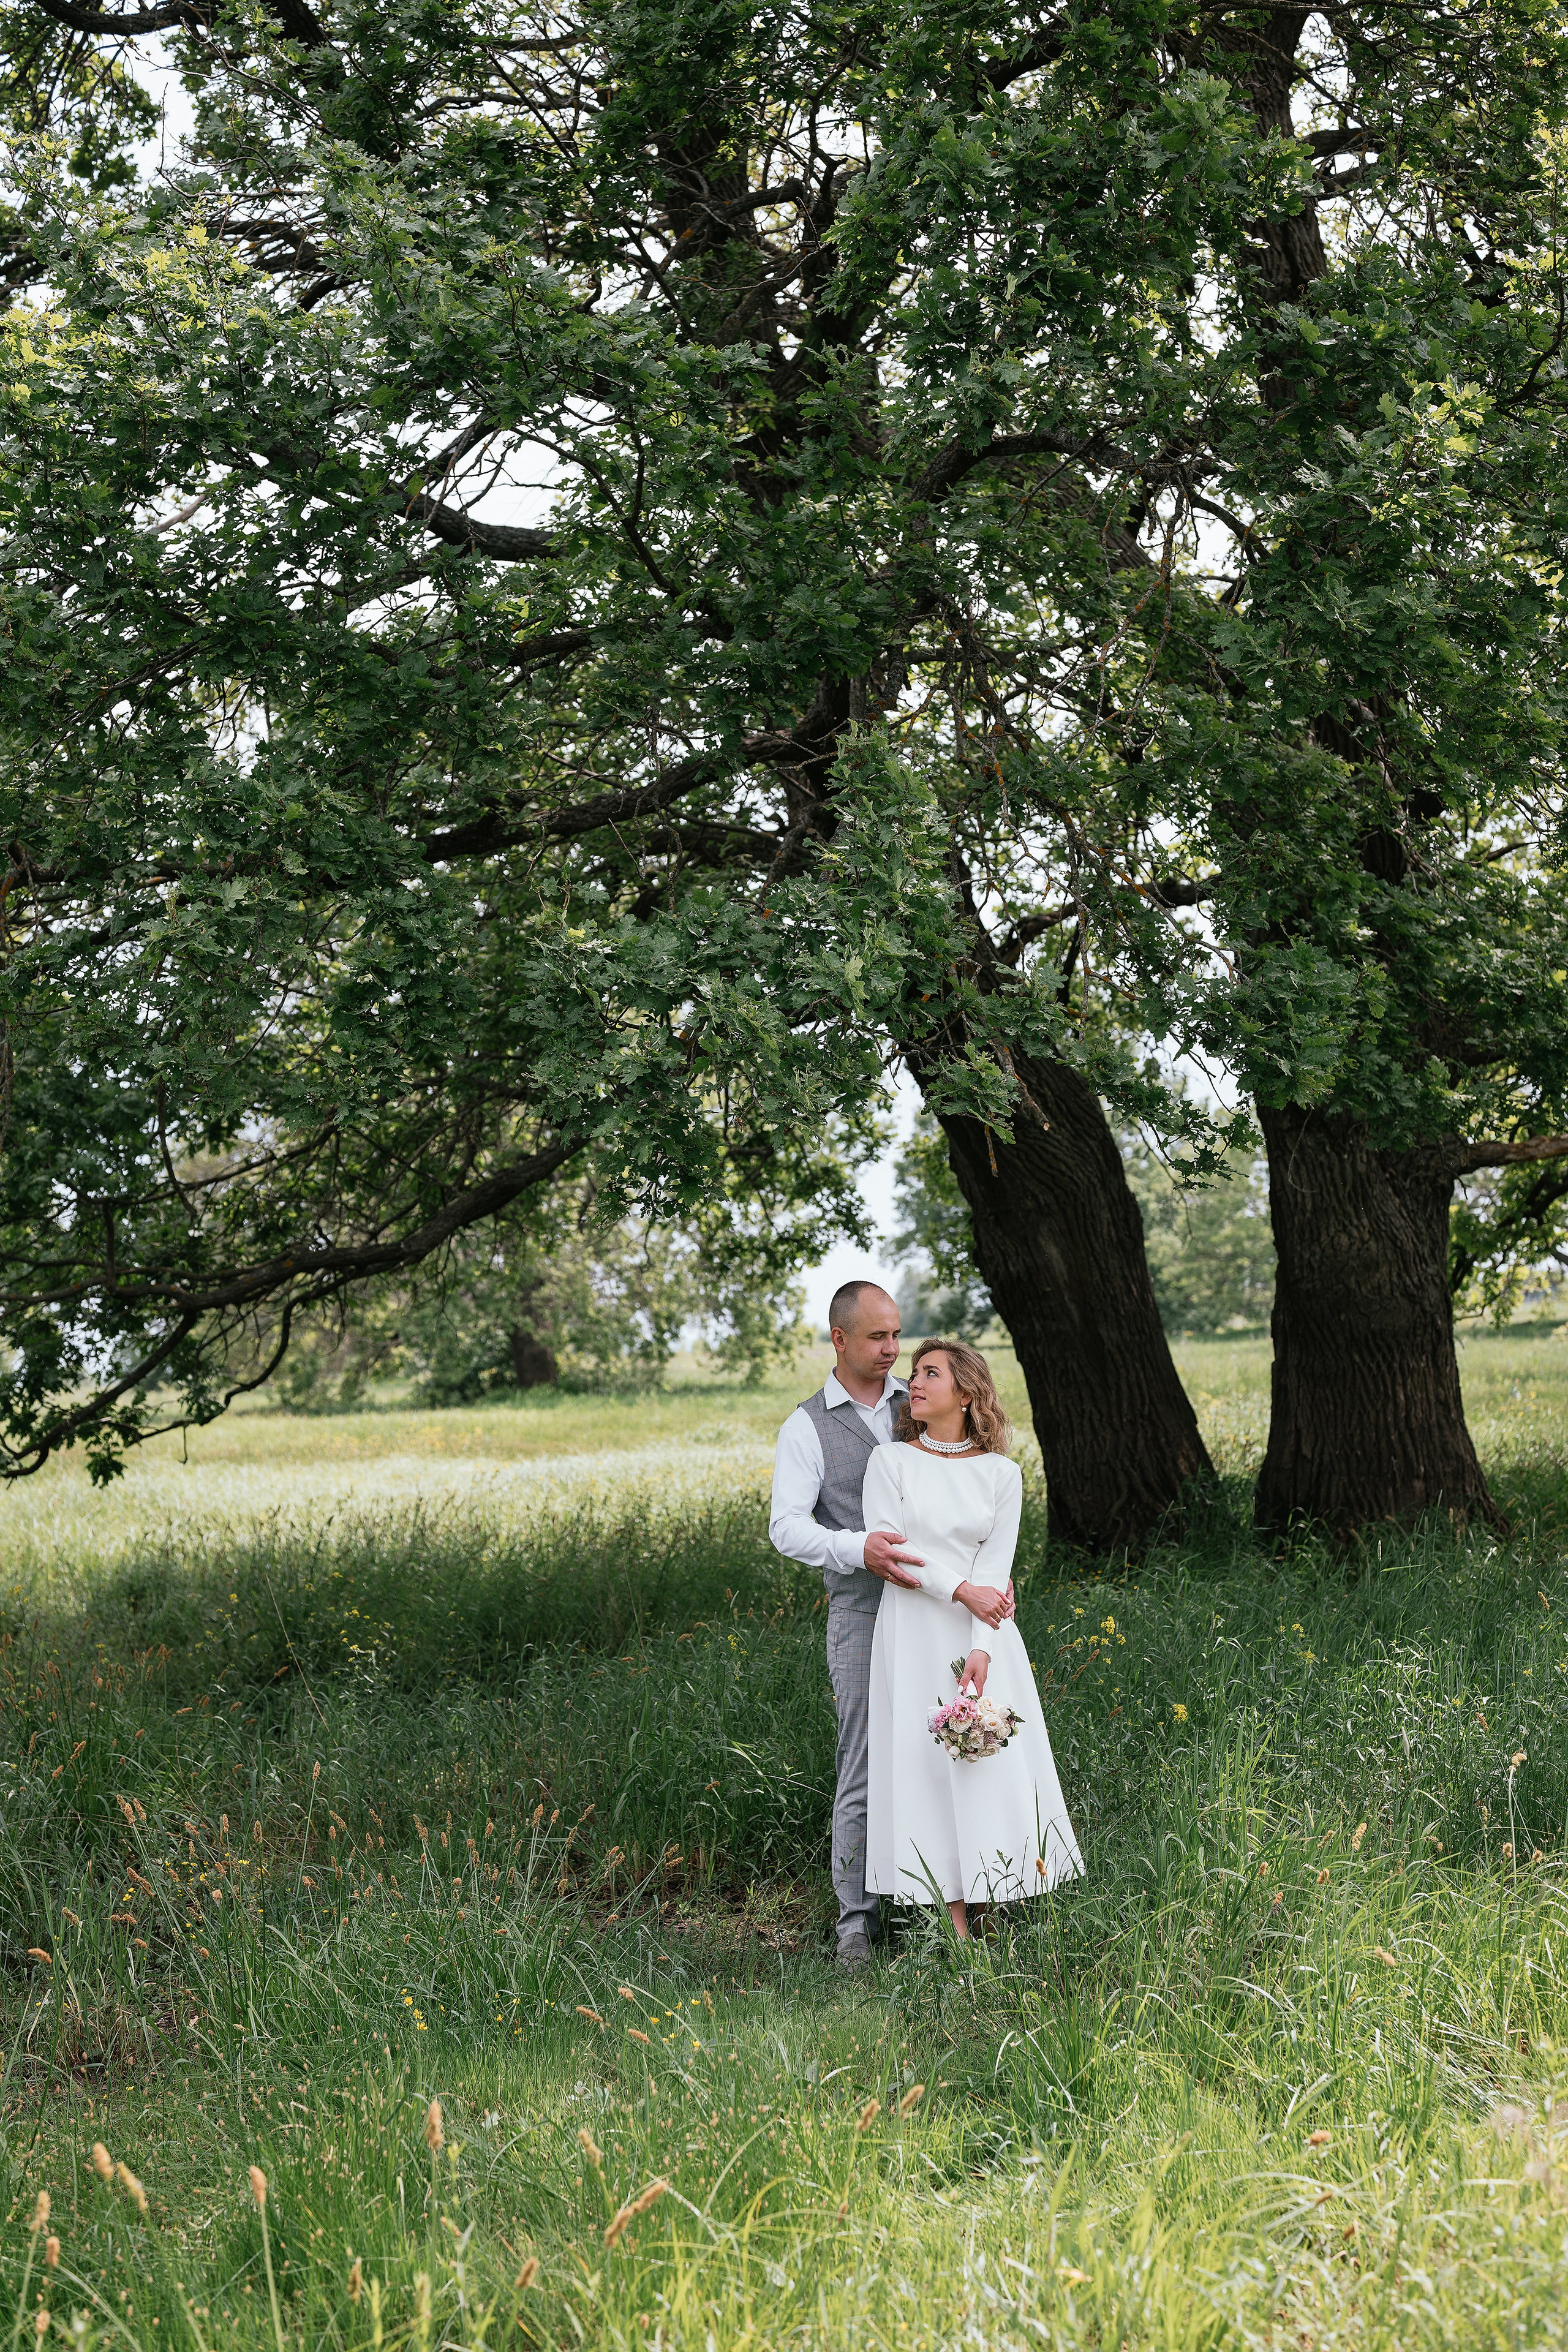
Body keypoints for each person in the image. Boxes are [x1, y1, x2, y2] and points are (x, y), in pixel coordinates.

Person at [769, 1281, 1015, 1969]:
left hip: (945, 1615)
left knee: (958, 1751)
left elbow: (970, 1500)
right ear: (840, 1339)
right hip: (863, 1614)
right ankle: (857, 1924)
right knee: (865, 1763)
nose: (893, 1350)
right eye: (878, 1337)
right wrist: (859, 1549)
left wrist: (985, 1584)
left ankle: (961, 1900)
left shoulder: (924, 1400)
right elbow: (786, 1528)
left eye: (897, 1335)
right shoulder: (806, 1427)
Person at [862, 1337, 1083, 1937]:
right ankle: (953, 1923)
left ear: (965, 1393)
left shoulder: (1001, 1474)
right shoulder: (891, 1462)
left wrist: (983, 1644)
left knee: (983, 1763)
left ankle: (992, 1895)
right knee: (925, 1768)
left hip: (982, 1638)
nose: (914, 1382)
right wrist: (962, 1591)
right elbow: (895, 1555)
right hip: (913, 1631)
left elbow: (996, 1566)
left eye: (930, 1373)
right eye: (914, 1373)